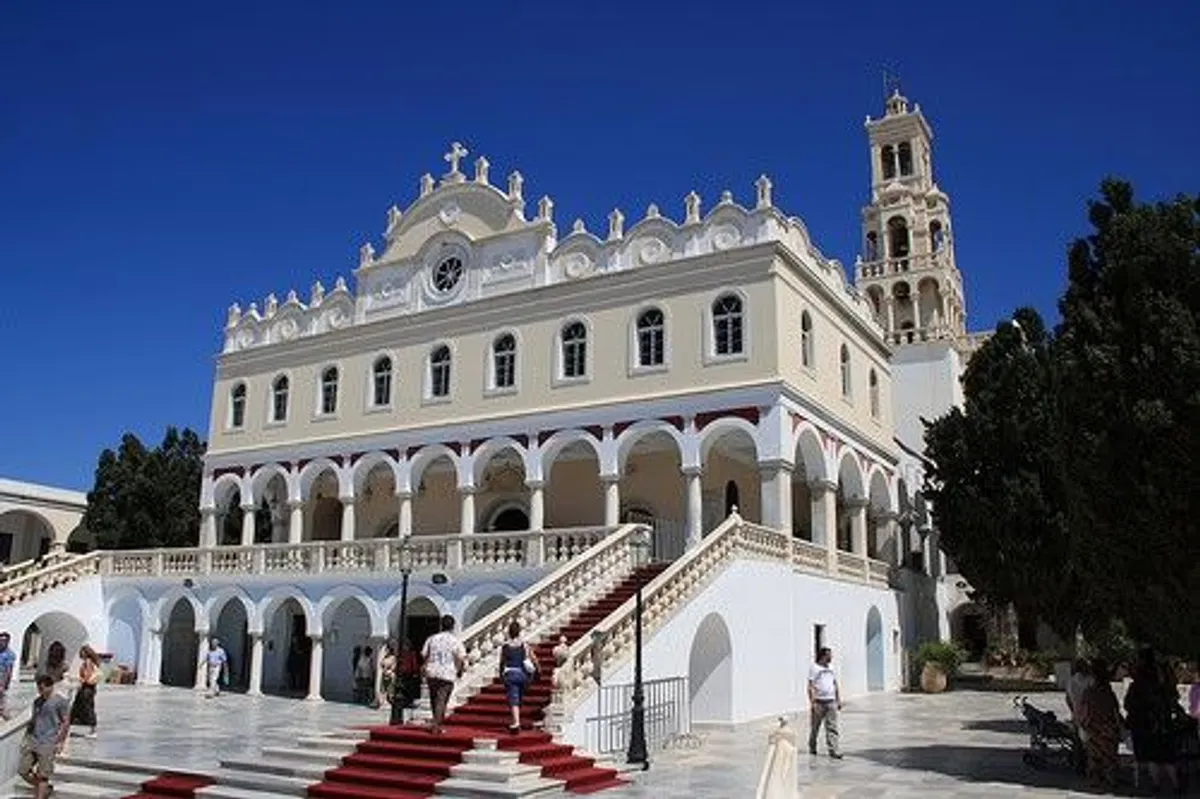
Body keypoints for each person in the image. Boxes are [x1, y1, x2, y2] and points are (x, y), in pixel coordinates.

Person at [1125, 648, 1180, 793]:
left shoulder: (1139, 681)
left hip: (1146, 724)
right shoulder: (1164, 676)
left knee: (1151, 756)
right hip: (1164, 722)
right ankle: (1175, 785)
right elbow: (1174, 697)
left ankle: (1156, 784)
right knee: (1167, 755)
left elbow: (1129, 704)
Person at [18, 674, 70, 799]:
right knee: (23, 770)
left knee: (43, 774)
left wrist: (60, 742)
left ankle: (40, 795)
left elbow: (66, 722)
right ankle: (45, 788)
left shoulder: (60, 702)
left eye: (42, 688)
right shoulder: (37, 701)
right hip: (33, 740)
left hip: (48, 742)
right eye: (38, 688)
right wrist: (26, 737)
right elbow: (33, 720)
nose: (40, 691)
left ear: (50, 687)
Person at [1076, 658, 1121, 790]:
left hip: (1093, 727)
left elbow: (1084, 711)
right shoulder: (1108, 692)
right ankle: (1111, 778)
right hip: (1108, 727)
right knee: (1110, 755)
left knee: (1094, 755)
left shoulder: (1088, 693)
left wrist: (1082, 724)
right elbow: (1115, 710)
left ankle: (1095, 779)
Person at [421, 615, 466, 735]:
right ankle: (436, 726)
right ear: (453, 626)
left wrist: (426, 666)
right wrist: (460, 670)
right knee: (442, 700)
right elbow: (461, 657)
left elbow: (424, 654)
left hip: (432, 672)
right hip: (447, 673)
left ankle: (436, 723)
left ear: (441, 625)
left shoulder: (432, 639)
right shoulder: (455, 640)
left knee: (434, 699)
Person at [499, 621, 537, 734]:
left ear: (509, 632)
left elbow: (502, 662)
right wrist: (538, 668)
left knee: (513, 699)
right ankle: (517, 717)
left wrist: (501, 673)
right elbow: (533, 658)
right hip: (523, 674)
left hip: (511, 674)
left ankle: (516, 722)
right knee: (519, 696)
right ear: (519, 632)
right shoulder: (524, 645)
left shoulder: (505, 646)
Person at [807, 647, 842, 759]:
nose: (831, 657)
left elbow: (835, 683)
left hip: (831, 701)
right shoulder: (814, 668)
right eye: (829, 655)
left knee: (832, 727)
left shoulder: (831, 667)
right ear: (823, 656)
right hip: (819, 702)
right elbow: (810, 686)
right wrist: (812, 703)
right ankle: (812, 746)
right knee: (815, 727)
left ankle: (833, 750)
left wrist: (838, 699)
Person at [69, 645, 101, 739]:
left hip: (86, 689)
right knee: (80, 708)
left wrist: (79, 680)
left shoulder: (88, 662)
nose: (81, 654)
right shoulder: (90, 662)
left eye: (82, 652)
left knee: (86, 708)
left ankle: (93, 730)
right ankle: (69, 727)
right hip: (89, 688)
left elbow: (87, 675)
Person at [1064, 659, 1093, 732]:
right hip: (1089, 715)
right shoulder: (1090, 680)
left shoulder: (1070, 681)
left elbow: (1068, 700)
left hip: (1076, 714)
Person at [0, 631, 15, 721]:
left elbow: (8, 671)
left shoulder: (9, 654)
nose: (1, 642)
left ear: (7, 642)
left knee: (2, 705)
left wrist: (3, 685)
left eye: (3, 640)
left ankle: (10, 721)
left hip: (1, 678)